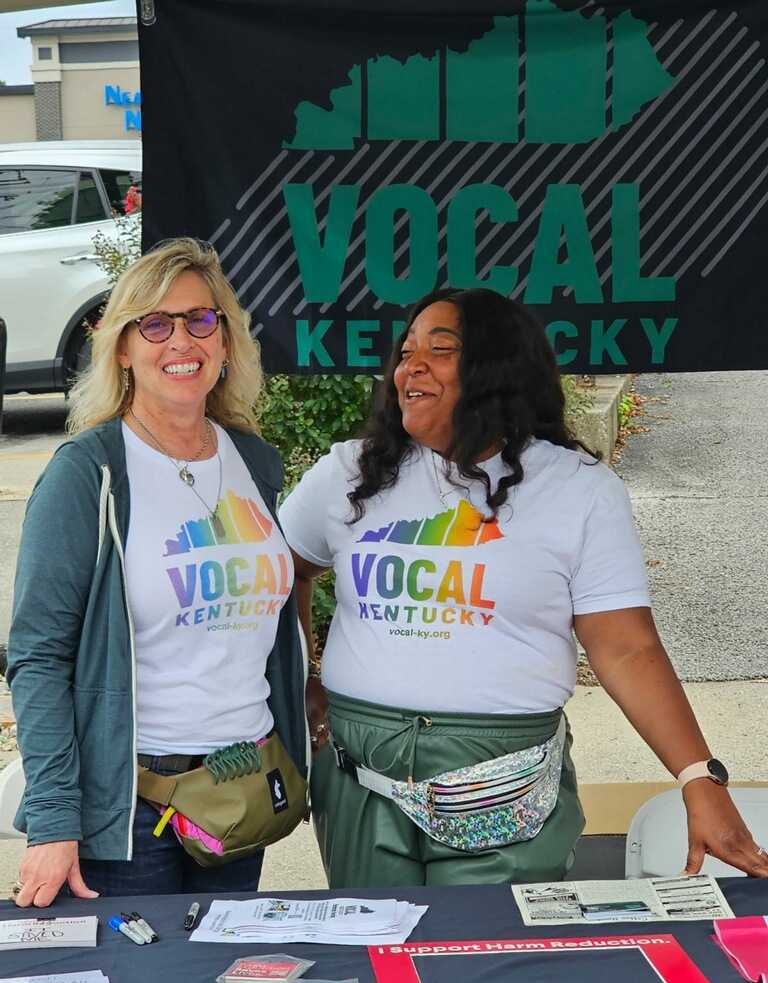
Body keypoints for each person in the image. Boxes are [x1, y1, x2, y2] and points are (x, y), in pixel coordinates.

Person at [279, 286, 768, 888]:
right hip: (360, 774)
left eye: (441, 349)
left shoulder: (578, 490)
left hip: (503, 780)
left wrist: (698, 776)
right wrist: (300, 677)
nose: (411, 366)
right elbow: (284, 571)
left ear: (498, 369)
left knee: (489, 961)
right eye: (406, 352)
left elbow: (627, 648)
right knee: (377, 955)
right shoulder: (350, 472)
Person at [8, 238, 306, 907]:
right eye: (156, 323)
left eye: (202, 320)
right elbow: (38, 657)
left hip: (240, 791)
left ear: (226, 342)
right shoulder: (89, 475)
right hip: (132, 809)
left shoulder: (254, 462)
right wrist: (54, 820)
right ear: (121, 347)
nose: (182, 340)